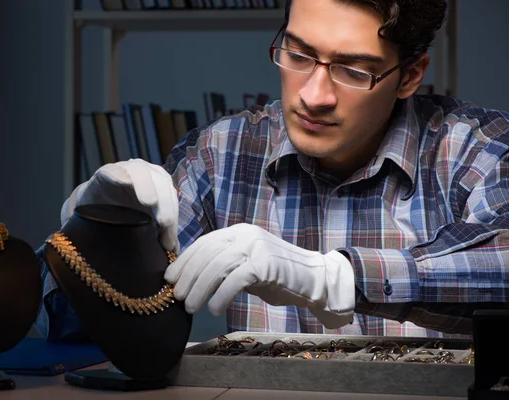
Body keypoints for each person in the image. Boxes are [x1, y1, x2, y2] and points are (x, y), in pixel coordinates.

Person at [36, 0, 509, 341]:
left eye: (353, 70)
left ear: (409, 75)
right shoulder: (221, 152)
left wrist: (333, 279)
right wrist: (98, 232)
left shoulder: (475, 148)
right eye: (299, 55)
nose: (314, 95)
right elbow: (64, 322)